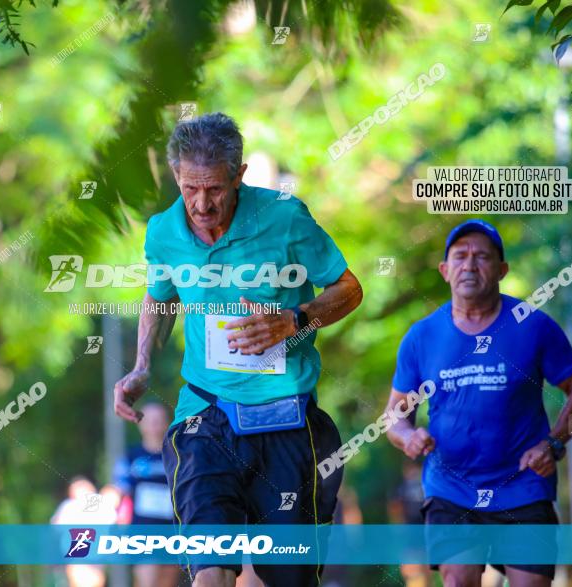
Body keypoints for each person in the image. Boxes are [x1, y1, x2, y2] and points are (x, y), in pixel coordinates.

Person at [113, 112, 363, 587]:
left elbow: (349, 289)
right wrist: (142, 363)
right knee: (210, 568)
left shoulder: (286, 218)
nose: (201, 205)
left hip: (286, 418)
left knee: (289, 578)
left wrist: (297, 318)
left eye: (215, 190)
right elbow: (161, 299)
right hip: (205, 415)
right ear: (175, 177)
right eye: (190, 189)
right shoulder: (164, 232)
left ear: (239, 176)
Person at [384, 219, 572, 587]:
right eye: (460, 256)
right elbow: (394, 418)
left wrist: (558, 442)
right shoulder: (421, 337)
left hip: (523, 488)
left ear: (501, 271)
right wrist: (407, 437)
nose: (470, 265)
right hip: (451, 489)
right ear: (445, 270)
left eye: (482, 257)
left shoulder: (533, 327)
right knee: (457, 582)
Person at [112, 402, 180, 587]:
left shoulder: (178, 456)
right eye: (149, 420)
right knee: (148, 581)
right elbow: (119, 490)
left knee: (167, 582)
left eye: (159, 420)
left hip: (172, 531)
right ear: (140, 424)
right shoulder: (131, 457)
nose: (154, 425)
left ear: (167, 423)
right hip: (142, 532)